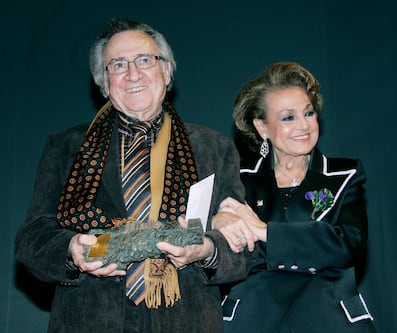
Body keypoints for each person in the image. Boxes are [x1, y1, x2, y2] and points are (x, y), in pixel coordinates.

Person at [15, 17, 245, 333]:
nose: (133, 74)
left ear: (166, 71)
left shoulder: (214, 148)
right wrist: (71, 250)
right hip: (89, 321)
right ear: (104, 81)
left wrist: (207, 249)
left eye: (144, 61)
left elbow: (243, 247)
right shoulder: (67, 147)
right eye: (118, 65)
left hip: (186, 320)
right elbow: (33, 239)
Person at [212, 62, 376, 332]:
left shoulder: (345, 174)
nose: (304, 125)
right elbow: (232, 254)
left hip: (328, 319)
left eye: (309, 113)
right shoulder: (238, 179)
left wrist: (265, 232)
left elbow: (347, 246)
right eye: (288, 117)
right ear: (262, 127)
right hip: (253, 318)